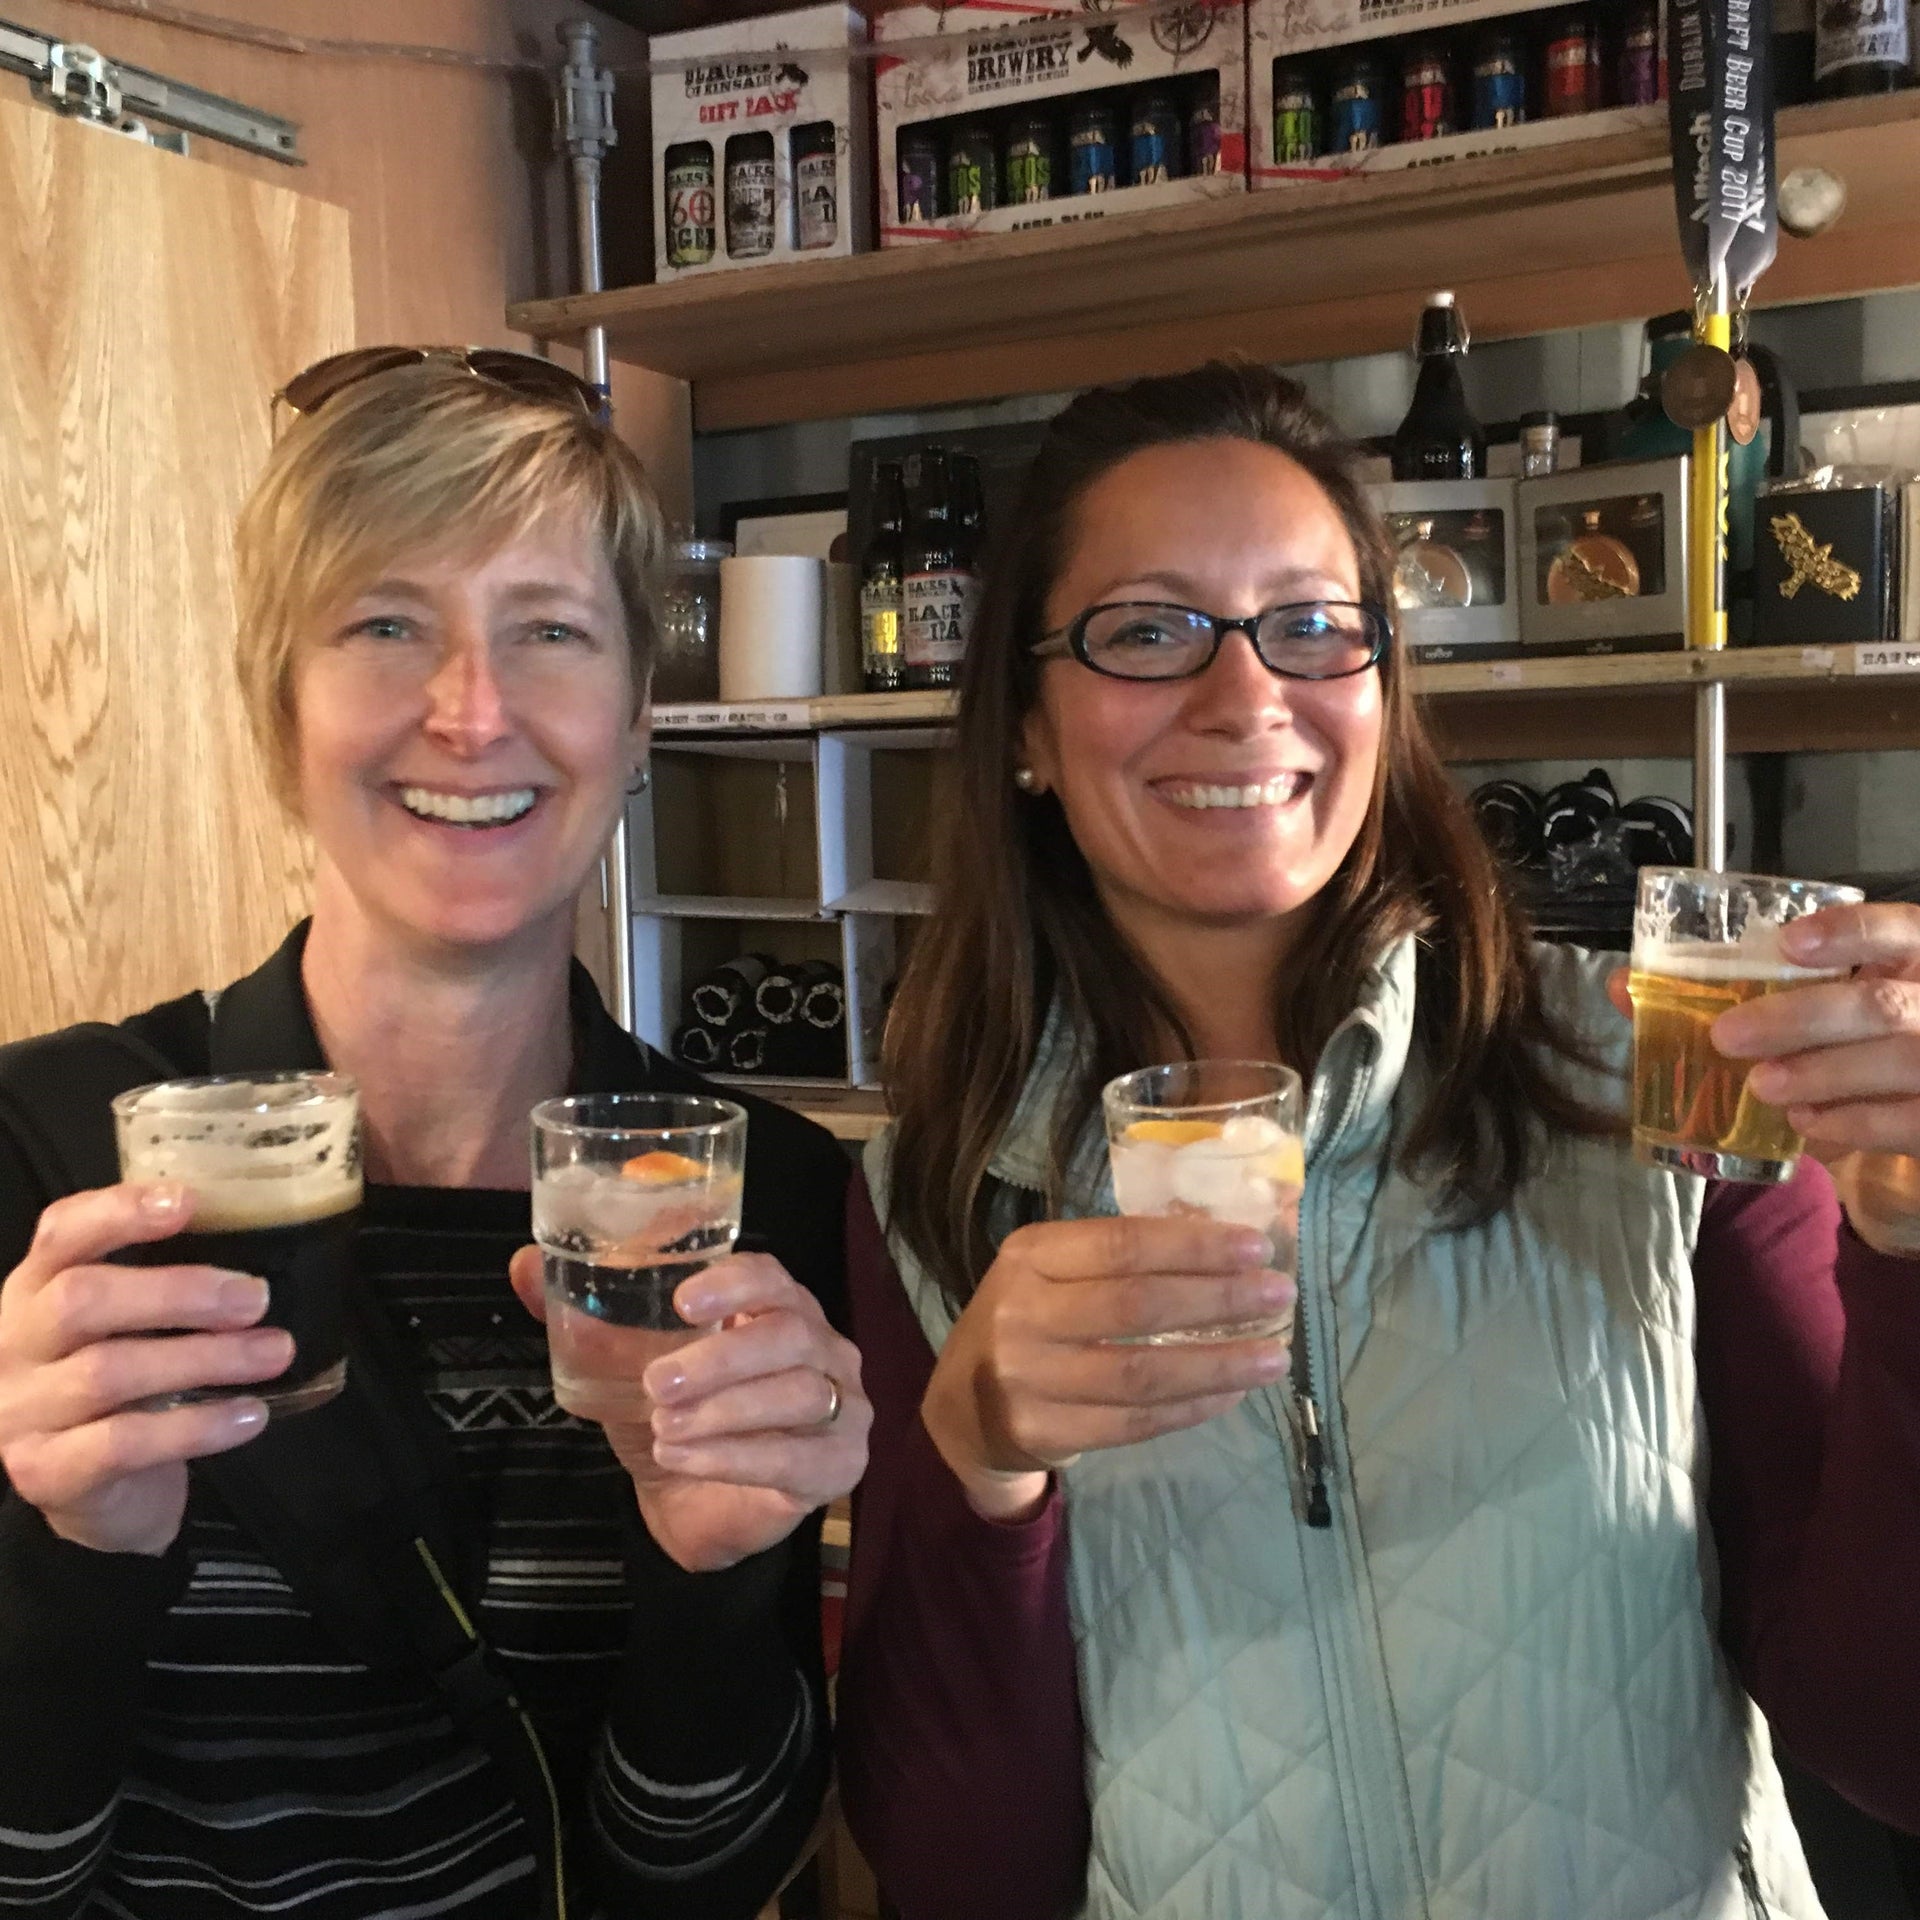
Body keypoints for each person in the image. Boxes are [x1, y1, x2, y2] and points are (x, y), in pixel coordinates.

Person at [836, 361, 1920, 1920]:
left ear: (1383, 689)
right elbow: (964, 1877)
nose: (1244, 695)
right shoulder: (931, 1201)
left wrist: (1907, 1254)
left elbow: (1886, 1737)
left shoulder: (1645, 1075)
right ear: (1022, 722)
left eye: (1313, 625)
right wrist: (981, 1465)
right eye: (1148, 630)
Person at [0, 349, 869, 1920]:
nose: (471, 713)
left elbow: (696, 1882)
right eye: (387, 624)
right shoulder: (42, 1161)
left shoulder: (766, 1197)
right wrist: (70, 1558)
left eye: (548, 631)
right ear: (280, 708)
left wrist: (712, 1582)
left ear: (640, 715)